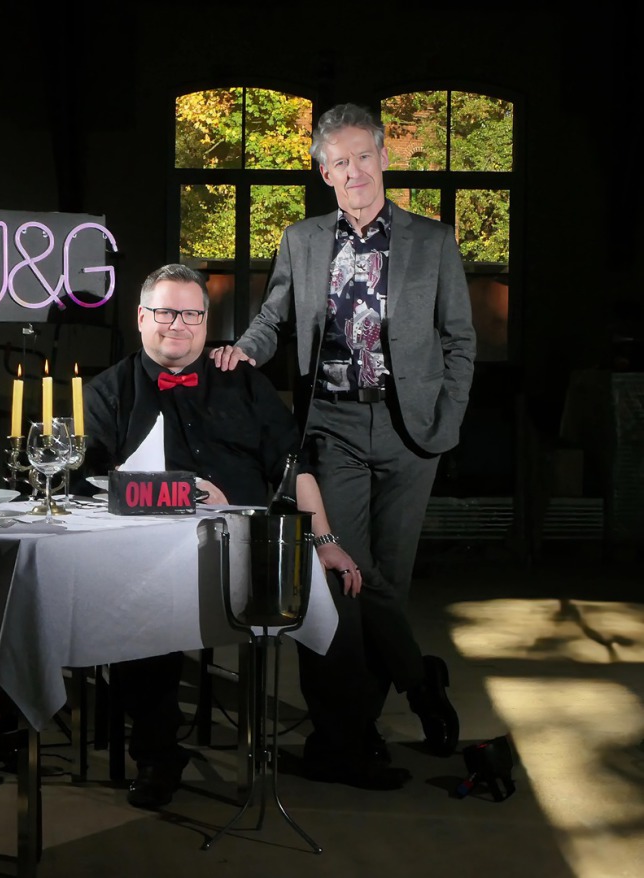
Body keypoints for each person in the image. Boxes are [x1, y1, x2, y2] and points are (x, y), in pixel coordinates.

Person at [81, 262, 414, 810]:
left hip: (253, 543)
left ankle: (339, 747)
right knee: (136, 604)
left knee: (337, 590)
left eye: (191, 314)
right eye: (165, 313)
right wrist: (184, 492)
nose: (178, 325)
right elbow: (95, 485)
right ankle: (158, 755)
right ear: (141, 317)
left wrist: (324, 541)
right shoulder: (107, 391)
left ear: (205, 320)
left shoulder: (242, 380)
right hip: (155, 551)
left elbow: (293, 465)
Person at [212, 103, 476, 774]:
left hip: (410, 429)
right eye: (339, 161)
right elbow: (273, 318)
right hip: (330, 424)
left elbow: (459, 339)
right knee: (340, 575)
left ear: (384, 158)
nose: (353, 171)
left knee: (388, 580)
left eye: (363, 156)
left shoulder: (433, 240)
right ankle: (394, 697)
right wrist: (244, 350)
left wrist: (446, 420)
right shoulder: (301, 241)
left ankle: (355, 730)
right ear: (323, 172)